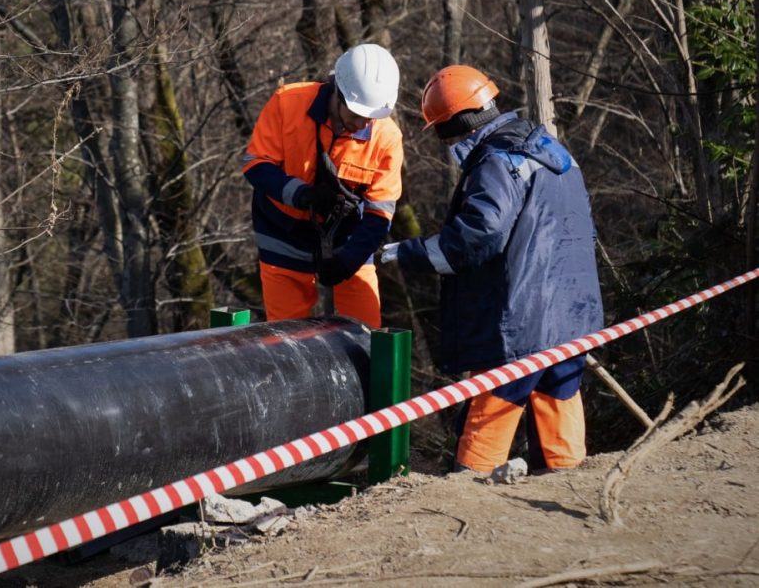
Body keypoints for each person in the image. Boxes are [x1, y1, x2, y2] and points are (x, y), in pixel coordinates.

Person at [381, 64, 603, 474]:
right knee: (562, 437)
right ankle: (569, 505)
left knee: (487, 427)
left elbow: (479, 235)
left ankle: (467, 500)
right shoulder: (555, 153)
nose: (445, 143)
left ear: (458, 123)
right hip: (573, 321)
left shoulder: (496, 161)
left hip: (520, 325)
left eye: (443, 132)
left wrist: (410, 254)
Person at [242, 43, 404, 329]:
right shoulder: (287, 103)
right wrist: (302, 195)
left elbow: (380, 214)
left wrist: (348, 261)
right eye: (355, 114)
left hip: (349, 241)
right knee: (285, 338)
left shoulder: (387, 137)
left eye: (369, 117)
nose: (361, 122)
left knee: (367, 334)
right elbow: (257, 165)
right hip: (282, 233)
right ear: (337, 92)